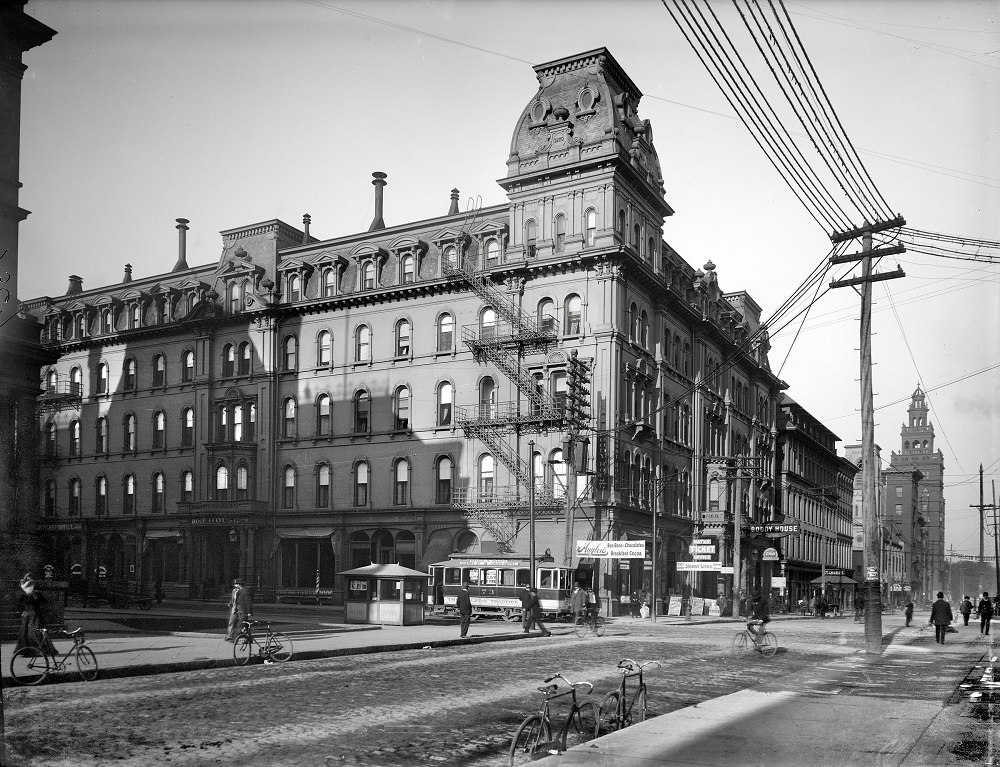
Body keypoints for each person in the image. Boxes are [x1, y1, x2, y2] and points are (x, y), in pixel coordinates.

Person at [15, 574, 55, 655]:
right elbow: (20, 604)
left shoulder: (36, 594)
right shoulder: (24, 595)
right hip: (28, 615)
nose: (31, 586)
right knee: (26, 633)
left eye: (31, 584)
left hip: (34, 615)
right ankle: (28, 651)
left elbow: (44, 602)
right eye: (29, 584)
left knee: (35, 632)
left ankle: (39, 650)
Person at [224, 577, 252, 642]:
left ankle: (237, 638)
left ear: (239, 584)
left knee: (241, 624)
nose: (235, 585)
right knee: (231, 622)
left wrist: (249, 612)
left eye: (236, 584)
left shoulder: (245, 590)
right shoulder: (234, 591)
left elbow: (248, 601)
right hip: (234, 608)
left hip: (242, 609)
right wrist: (231, 603)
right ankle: (229, 636)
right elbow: (233, 599)